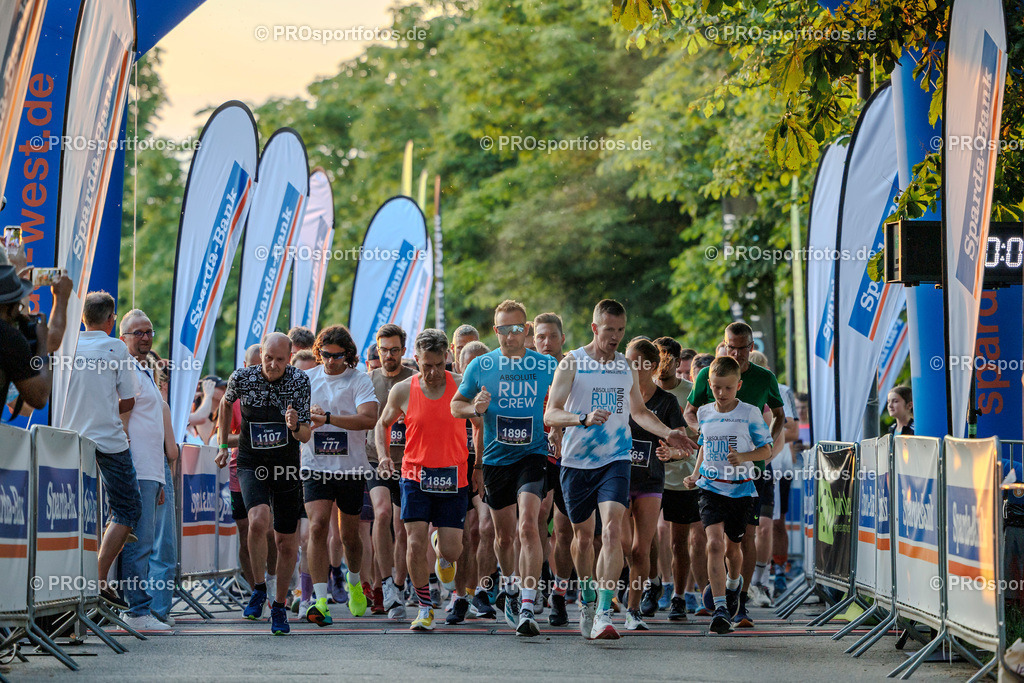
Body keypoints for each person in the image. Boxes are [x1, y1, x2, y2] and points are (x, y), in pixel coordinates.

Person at [544, 299, 695, 640]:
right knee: (584, 540)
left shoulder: (624, 367)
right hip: (577, 463)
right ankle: (586, 597)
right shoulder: (572, 363)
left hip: (616, 459)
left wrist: (668, 431)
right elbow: (550, 413)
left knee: (612, 531)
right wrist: (580, 419)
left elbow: (639, 413)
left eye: (620, 330)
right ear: (595, 328)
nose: (614, 337)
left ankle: (603, 611)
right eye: (609, 330)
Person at [451, 300, 558, 637]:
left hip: (533, 455)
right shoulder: (480, 365)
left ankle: (527, 604)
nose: (511, 335)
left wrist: (557, 426)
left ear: (525, 330)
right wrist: (473, 406)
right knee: (503, 535)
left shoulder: (545, 365)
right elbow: (456, 406)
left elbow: (565, 400)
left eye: (517, 329)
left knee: (529, 525)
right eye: (503, 329)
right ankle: (510, 584)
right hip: (497, 459)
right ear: (495, 331)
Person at [377, 329, 480, 631]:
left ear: (447, 358)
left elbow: (478, 423)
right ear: (417, 360)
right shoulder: (403, 390)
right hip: (414, 475)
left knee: (452, 551)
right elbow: (382, 424)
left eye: (438, 364)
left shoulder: (460, 387)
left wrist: (480, 466)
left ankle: (442, 548)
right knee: (413, 540)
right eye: (426, 365)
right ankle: (424, 607)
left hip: (453, 476)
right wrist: (384, 456)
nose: (433, 372)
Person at [684, 322, 785, 629]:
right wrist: (705, 432)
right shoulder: (707, 374)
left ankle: (738, 597)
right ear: (724, 344)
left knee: (741, 542)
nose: (736, 352)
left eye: (742, 347)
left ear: (751, 347)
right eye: (731, 346)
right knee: (713, 542)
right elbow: (690, 412)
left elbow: (779, 417)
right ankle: (719, 608)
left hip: (749, 475)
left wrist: (759, 449)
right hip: (712, 480)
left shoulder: (764, 378)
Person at [220, 332, 311, 635]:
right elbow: (224, 404)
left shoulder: (299, 381)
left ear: (289, 356)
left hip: (286, 465)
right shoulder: (243, 377)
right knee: (257, 521)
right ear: (261, 354)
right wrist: (222, 445)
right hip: (251, 463)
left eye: (280, 360)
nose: (273, 365)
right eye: (268, 358)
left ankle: (280, 605)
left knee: (287, 542)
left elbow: (306, 436)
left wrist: (295, 424)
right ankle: (259, 587)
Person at [61, 292, 140, 609]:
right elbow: (130, 399)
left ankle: (67, 588)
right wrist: (106, 405)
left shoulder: (68, 345)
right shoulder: (117, 347)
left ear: (83, 319)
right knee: (128, 507)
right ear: (111, 320)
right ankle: (98, 576)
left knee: (68, 514)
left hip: (68, 438)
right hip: (108, 437)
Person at [302, 325, 378, 626]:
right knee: (318, 527)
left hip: (350, 468)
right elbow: (292, 417)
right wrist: (308, 416)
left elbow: (368, 418)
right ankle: (320, 601)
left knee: (349, 536)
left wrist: (329, 418)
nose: (331, 362)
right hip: (315, 465)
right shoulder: (307, 379)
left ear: (349, 355)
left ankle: (356, 581)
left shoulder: (358, 379)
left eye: (338, 356)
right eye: (325, 355)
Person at [117, 310, 177, 631]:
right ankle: (137, 611)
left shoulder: (146, 373)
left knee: (145, 542)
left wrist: (162, 478)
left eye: (149, 331)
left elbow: (153, 426)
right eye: (137, 332)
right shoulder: (125, 368)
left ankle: (140, 609)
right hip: (135, 467)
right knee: (137, 544)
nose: (145, 337)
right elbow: (122, 419)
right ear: (123, 337)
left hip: (152, 471)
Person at [621, 339, 684, 631]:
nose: (629, 367)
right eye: (627, 361)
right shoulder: (618, 395)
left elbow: (681, 445)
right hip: (617, 477)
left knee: (639, 549)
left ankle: (633, 610)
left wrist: (669, 452)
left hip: (650, 481)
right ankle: (609, 596)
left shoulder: (666, 401)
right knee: (619, 544)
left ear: (651, 366)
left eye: (636, 362)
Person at [365, 324, 415, 620]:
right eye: (384, 350)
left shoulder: (414, 380)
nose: (389, 356)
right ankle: (384, 583)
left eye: (394, 350)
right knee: (382, 514)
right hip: (375, 458)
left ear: (403, 351)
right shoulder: (368, 380)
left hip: (409, 460)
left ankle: (398, 584)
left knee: (403, 525)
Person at [647, 336, 694, 614]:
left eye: (668, 358)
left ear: (678, 362)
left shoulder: (691, 392)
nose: (662, 364)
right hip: (649, 475)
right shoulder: (643, 390)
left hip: (681, 476)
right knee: (648, 537)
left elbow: (697, 436)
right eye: (658, 357)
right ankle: (653, 586)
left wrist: (679, 450)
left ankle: (679, 594)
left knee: (679, 541)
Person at [534, 312, 573, 627]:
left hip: (569, 457)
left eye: (552, 336)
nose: (546, 343)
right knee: (534, 517)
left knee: (563, 529)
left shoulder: (574, 367)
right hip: (535, 454)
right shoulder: (526, 370)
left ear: (562, 338)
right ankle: (534, 584)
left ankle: (559, 594)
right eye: (540, 337)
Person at [449, 339, 489, 624]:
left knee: (482, 529)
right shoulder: (451, 391)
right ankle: (459, 596)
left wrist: (480, 466)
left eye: (481, 364)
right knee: (461, 537)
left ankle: (479, 592)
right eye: (470, 364)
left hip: (485, 466)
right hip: (454, 468)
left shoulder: (497, 389)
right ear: (460, 365)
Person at [0, 264, 60, 412]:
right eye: (18, 306)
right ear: (10, 307)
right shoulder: (8, 338)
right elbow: (38, 398)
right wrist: (43, 344)